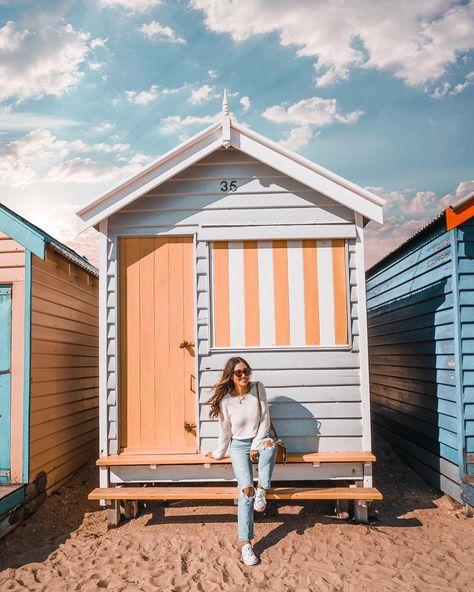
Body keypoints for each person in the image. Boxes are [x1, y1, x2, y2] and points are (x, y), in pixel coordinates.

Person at [205, 356, 277, 566]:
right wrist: (218, 453)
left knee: (270, 446)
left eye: (247, 370)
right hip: (238, 445)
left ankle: (262, 489)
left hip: (260, 440)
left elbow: (265, 420)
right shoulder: (225, 401)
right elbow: (225, 431)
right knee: (245, 490)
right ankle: (246, 544)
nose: (244, 375)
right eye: (239, 372)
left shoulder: (258, 389)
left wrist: (255, 445)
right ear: (231, 375)